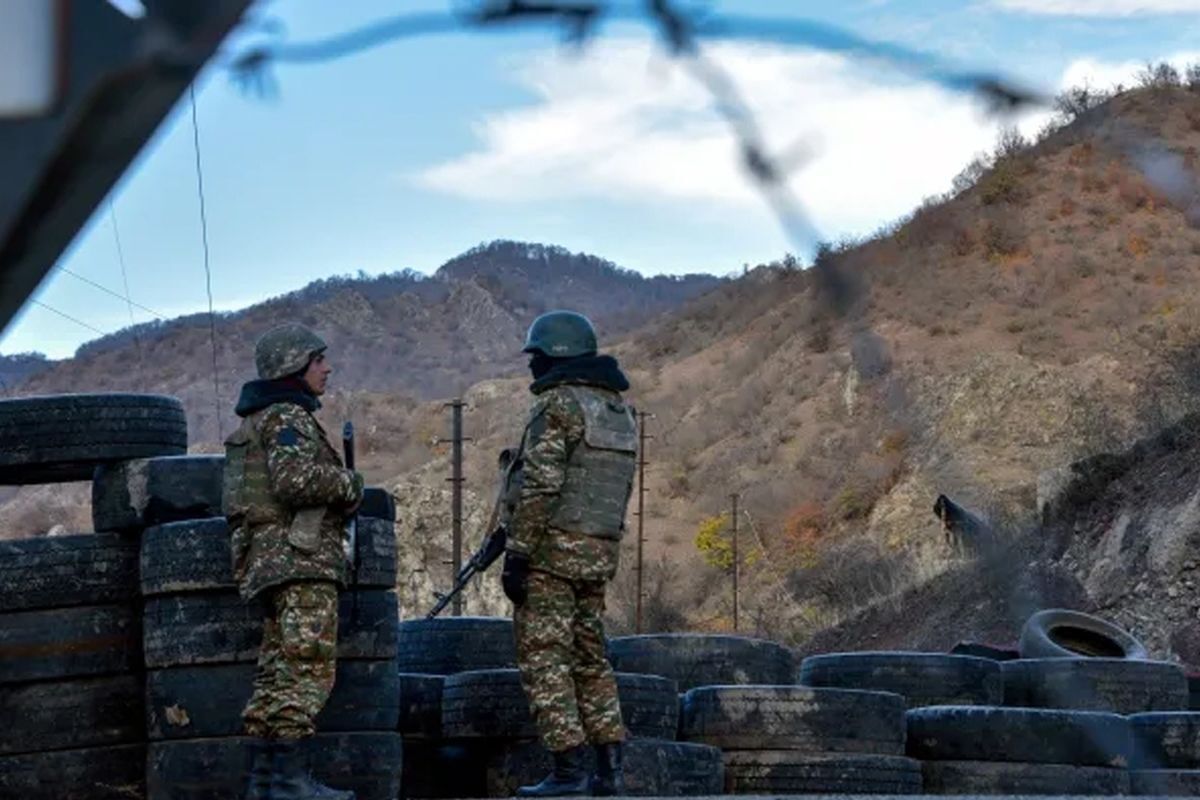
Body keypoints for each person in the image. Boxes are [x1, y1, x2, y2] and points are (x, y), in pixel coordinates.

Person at [223, 323, 364, 800]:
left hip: (270, 563)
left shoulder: (258, 421)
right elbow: (295, 483)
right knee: (306, 669)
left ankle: (266, 783)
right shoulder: (286, 416)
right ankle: (287, 783)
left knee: (276, 672)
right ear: (294, 366)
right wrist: (352, 485)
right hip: (299, 561)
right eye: (317, 359)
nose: (326, 367)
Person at [501, 310, 639, 797]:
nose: (530, 366)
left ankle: (568, 775)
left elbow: (540, 485)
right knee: (591, 660)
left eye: (534, 356)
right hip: (597, 554)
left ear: (553, 355)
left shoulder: (557, 405)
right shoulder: (619, 411)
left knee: (545, 661)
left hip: (550, 554)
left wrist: (517, 552)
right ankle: (610, 774)